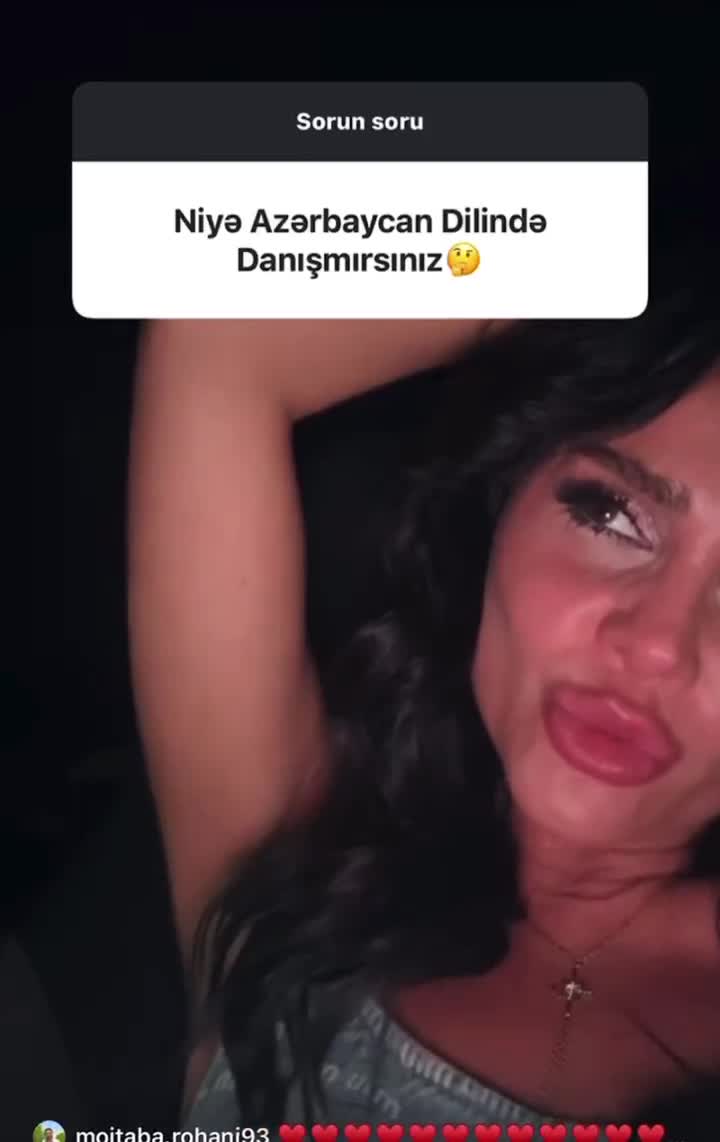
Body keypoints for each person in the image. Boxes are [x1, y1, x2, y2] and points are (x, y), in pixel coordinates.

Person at [128, 237, 720, 1139]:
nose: (654, 648)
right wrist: (635, 290)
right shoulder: (301, 867)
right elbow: (216, 325)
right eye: (609, 514)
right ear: (502, 506)